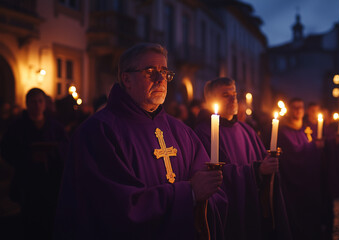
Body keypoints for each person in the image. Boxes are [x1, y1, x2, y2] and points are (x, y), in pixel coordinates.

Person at [54, 43, 226, 239]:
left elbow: (214, 193)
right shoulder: (98, 132)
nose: (161, 79)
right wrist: (190, 193)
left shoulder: (182, 132)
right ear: (126, 79)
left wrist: (207, 192)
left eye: (164, 72)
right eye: (150, 71)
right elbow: (115, 209)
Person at [194, 77, 291, 240]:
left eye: (234, 94)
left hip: (253, 204)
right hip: (231, 211)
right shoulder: (202, 133)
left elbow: (262, 163)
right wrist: (256, 170)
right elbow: (213, 174)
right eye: (226, 95)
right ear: (211, 100)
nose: (233, 99)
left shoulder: (248, 130)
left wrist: (267, 166)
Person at [1, 88, 68, 239]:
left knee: (50, 222)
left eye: (40, 101)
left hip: (52, 183)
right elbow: (7, 150)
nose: (37, 105)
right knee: (30, 223)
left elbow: (66, 148)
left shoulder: (55, 127)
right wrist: (28, 157)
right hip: (28, 183)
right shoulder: (17, 127)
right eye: (33, 101)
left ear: (45, 104)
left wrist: (52, 154)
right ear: (27, 104)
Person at [277, 98, 324, 240]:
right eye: (294, 107)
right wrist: (313, 147)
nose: (297, 111)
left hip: (310, 183)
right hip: (292, 186)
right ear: (289, 110)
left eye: (300, 108)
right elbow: (293, 153)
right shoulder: (283, 131)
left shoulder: (306, 130)